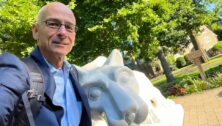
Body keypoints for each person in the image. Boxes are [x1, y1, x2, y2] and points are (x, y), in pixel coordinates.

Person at [0, 2, 92, 126]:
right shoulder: (17, 69)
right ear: (36, 31)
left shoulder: (76, 75)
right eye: (53, 24)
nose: (63, 33)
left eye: (69, 27)